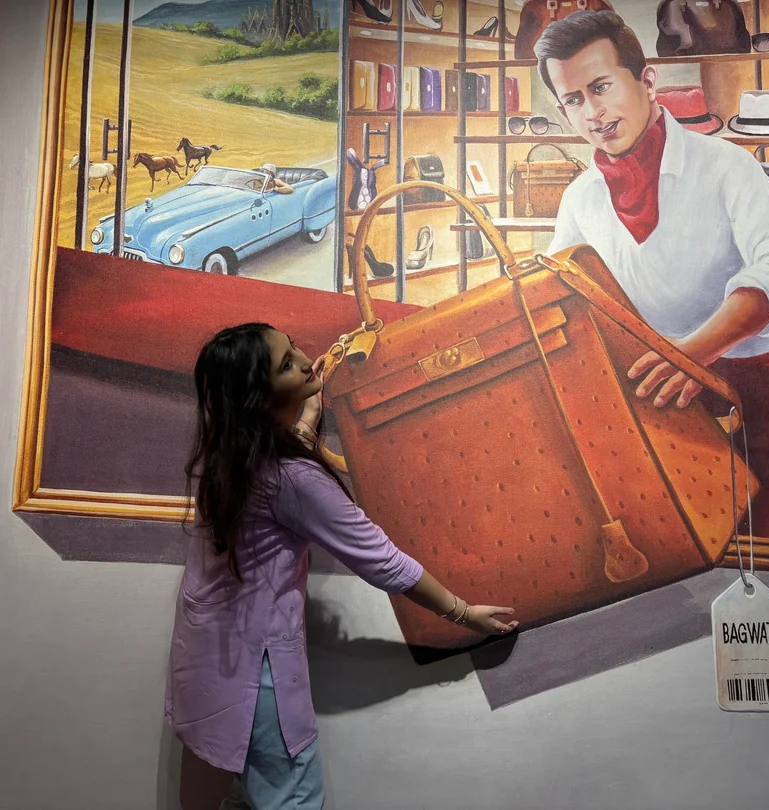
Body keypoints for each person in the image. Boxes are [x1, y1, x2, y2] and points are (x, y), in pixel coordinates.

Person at [166, 323, 518, 807]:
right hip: (258, 680)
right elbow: (382, 560)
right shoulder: (292, 478)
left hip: (206, 670)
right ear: (257, 395)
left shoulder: (225, 463)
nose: (307, 361)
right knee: (294, 800)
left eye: (294, 348)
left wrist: (305, 422)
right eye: (286, 365)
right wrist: (462, 612)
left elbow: (280, 490)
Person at [536, 11, 769, 411]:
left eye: (601, 87)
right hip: (662, 389)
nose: (591, 112)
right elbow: (559, 284)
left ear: (648, 82)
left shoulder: (727, 165)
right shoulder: (579, 198)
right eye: (573, 100)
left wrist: (693, 352)